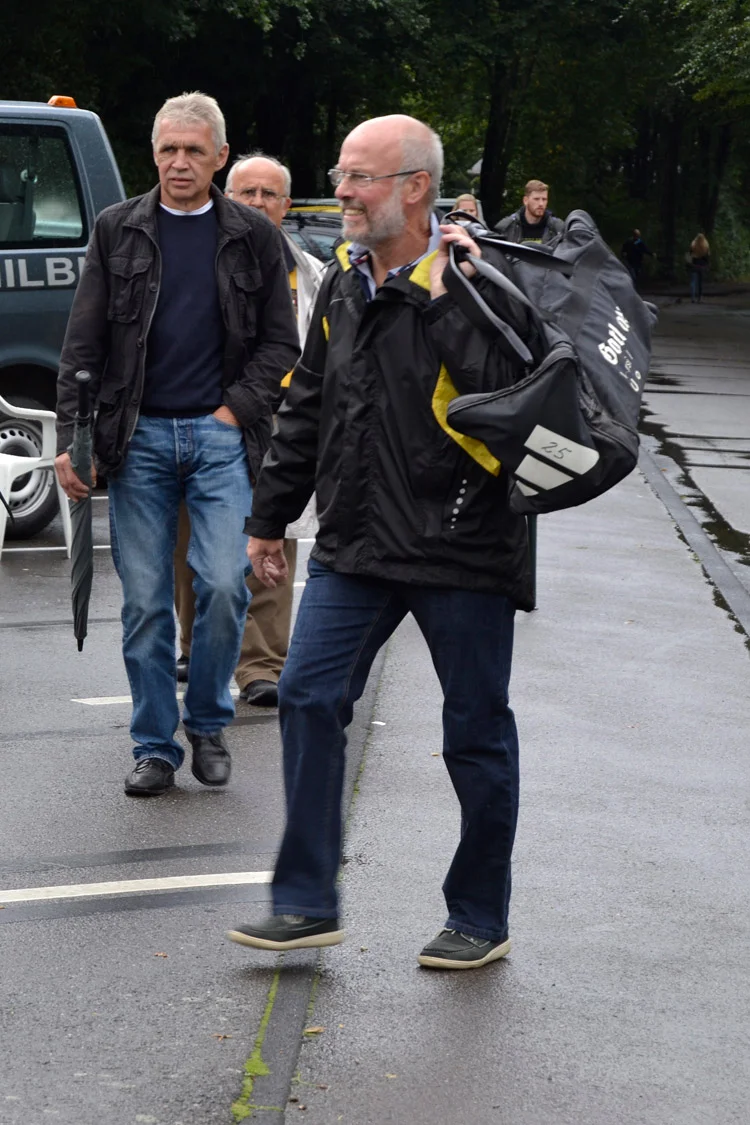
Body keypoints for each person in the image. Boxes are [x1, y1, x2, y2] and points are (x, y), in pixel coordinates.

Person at [226, 113, 542, 970]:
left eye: (360, 176)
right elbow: (308, 402)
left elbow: (511, 400)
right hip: (357, 542)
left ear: (416, 187)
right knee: (306, 695)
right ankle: (305, 902)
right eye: (342, 174)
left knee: (475, 731)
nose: (344, 191)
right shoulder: (344, 278)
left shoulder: (480, 279)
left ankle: (478, 916)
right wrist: (268, 518)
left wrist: (445, 302)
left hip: (463, 544)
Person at [55, 93, 299, 797]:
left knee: (223, 583)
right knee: (145, 603)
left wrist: (232, 412)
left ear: (220, 156)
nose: (180, 162)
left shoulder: (253, 235)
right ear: (154, 153)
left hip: (221, 439)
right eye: (169, 149)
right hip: (138, 441)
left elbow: (280, 344)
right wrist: (75, 439)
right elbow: (83, 344)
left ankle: (209, 723)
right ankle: (155, 746)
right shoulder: (117, 229)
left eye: (194, 150)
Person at [174, 152, 325, 708]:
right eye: (247, 193)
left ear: (287, 206)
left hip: (280, 418)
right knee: (193, 543)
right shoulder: (195, 254)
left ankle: (262, 664)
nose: (257, 203)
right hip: (205, 413)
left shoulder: (311, 272)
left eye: (269, 194)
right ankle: (197, 645)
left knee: (270, 537)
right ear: (226, 196)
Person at [494, 178, 563, 245]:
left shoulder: (558, 229)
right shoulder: (506, 227)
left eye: (544, 199)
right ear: (525, 200)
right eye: (536, 199)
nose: (541, 203)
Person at [689, 233, 710, 303]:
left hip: (694, 265)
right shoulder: (705, 246)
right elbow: (707, 257)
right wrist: (707, 265)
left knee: (693, 282)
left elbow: (690, 254)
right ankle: (700, 297)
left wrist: (690, 263)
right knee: (700, 282)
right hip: (701, 266)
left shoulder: (693, 245)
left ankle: (692, 297)